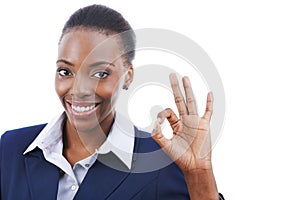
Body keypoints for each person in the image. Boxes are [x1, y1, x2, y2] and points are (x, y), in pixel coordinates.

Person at [0, 4, 224, 200]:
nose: (79, 89)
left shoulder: (158, 163)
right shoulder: (11, 149)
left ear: (128, 76)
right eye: (65, 71)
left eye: (100, 74)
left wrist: (199, 174)